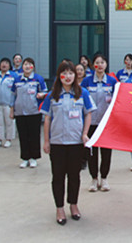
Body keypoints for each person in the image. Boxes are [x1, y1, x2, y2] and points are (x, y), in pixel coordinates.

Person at [41, 60, 96, 225]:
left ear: (75, 75)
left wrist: (85, 133)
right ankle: (59, 208)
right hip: (57, 143)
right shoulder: (52, 95)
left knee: (74, 176)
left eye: (71, 73)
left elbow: (88, 113)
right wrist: (46, 141)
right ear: (59, 76)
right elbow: (47, 118)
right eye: (64, 73)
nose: (68, 76)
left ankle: (73, 205)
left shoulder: (82, 93)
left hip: (75, 142)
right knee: (58, 176)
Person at [81, 53, 118, 191]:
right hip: (90, 123)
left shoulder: (112, 82)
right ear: (93, 65)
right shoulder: (86, 81)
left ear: (106, 65)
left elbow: (117, 100)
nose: (100, 65)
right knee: (91, 152)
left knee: (106, 153)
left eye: (102, 62)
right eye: (97, 62)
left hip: (106, 124)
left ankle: (104, 178)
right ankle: (94, 179)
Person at [10, 57, 48, 169]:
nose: (27, 66)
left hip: (34, 112)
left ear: (33, 67)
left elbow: (45, 92)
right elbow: (12, 96)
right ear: (22, 67)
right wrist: (12, 110)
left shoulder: (38, 79)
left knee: (34, 135)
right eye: (25, 64)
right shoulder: (17, 80)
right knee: (23, 135)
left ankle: (33, 158)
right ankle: (25, 158)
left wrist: (42, 95)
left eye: (30, 64)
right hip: (20, 112)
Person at [0, 57, 17, 148]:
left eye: (6, 63)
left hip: (9, 104)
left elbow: (16, 90)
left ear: (9, 66)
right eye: (2, 63)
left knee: (10, 122)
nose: (4, 65)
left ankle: (9, 139)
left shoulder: (13, 76)